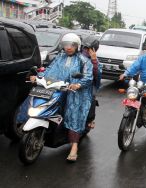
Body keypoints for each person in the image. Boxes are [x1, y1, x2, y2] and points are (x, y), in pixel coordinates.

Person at [30, 33, 93, 162]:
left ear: (77, 46)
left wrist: (78, 84)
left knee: (73, 116)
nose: (68, 47)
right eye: (66, 45)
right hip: (58, 89)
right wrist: (38, 77)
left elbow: (88, 76)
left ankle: (74, 148)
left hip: (75, 93)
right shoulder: (59, 57)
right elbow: (49, 70)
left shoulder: (83, 60)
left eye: (72, 45)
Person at [81, 35, 102, 129]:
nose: (86, 50)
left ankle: (90, 119)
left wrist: (94, 61)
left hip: (88, 85)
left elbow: (97, 75)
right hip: (72, 82)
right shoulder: (75, 56)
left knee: (91, 98)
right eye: (85, 48)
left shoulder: (96, 61)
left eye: (89, 49)